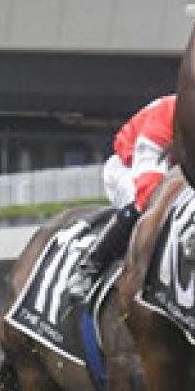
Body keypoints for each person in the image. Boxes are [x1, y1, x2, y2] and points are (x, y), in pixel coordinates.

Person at [64, 94, 175, 302]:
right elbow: (148, 176)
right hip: (129, 166)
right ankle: (90, 266)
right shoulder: (167, 114)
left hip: (174, 170)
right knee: (146, 204)